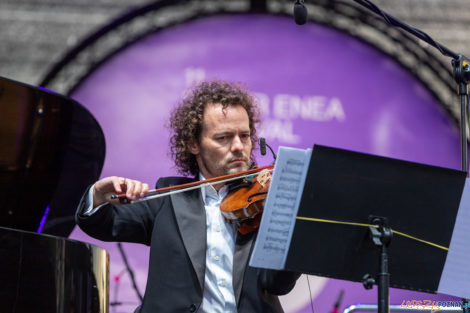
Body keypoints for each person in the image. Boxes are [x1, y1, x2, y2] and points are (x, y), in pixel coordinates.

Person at [76, 81, 300, 313]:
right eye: (223, 137)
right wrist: (99, 194)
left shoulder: (264, 206)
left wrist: (292, 223)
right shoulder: (169, 199)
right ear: (194, 144)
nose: (238, 147)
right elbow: (103, 224)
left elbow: (278, 284)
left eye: (244, 136)